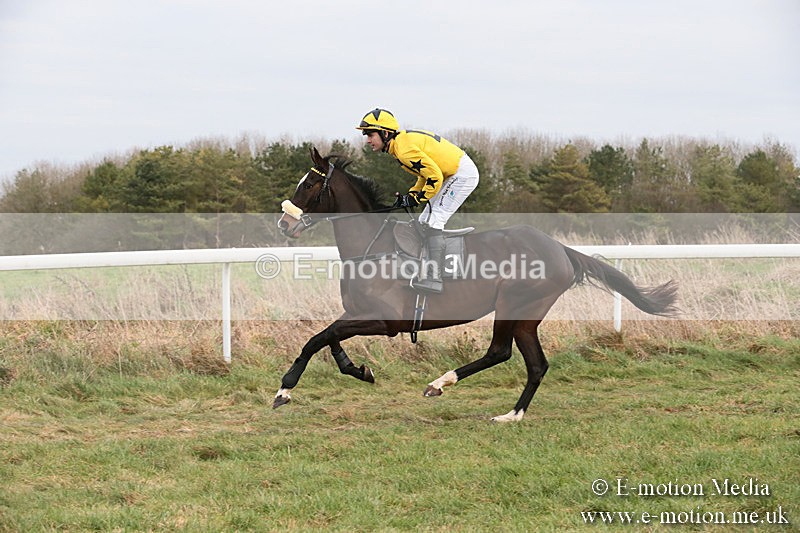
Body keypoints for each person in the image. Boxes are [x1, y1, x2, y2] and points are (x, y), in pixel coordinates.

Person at [356, 108, 480, 293]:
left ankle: (435, 278)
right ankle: (423, 269)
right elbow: (424, 175)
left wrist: (417, 198)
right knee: (423, 221)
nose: (367, 140)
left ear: (385, 133)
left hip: (461, 175)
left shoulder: (403, 150)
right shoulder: (400, 145)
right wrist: (411, 195)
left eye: (370, 135)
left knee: (434, 220)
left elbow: (435, 177)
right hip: (452, 174)